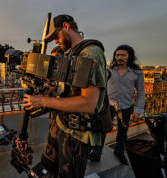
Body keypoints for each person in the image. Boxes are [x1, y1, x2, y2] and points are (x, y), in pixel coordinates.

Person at [23, 14, 108, 178]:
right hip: (62, 125)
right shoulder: (72, 54)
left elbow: (88, 103)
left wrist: (43, 101)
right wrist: (52, 89)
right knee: (47, 169)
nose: (55, 41)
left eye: (56, 35)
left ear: (66, 27)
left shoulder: (90, 53)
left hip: (76, 135)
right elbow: (71, 90)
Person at [89, 45, 145, 165]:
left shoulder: (137, 72)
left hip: (126, 106)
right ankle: (96, 152)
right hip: (108, 104)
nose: (119, 57)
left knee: (122, 131)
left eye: (123, 55)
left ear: (129, 56)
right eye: (117, 55)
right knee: (102, 129)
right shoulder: (109, 70)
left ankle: (119, 151)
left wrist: (138, 110)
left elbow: (141, 92)